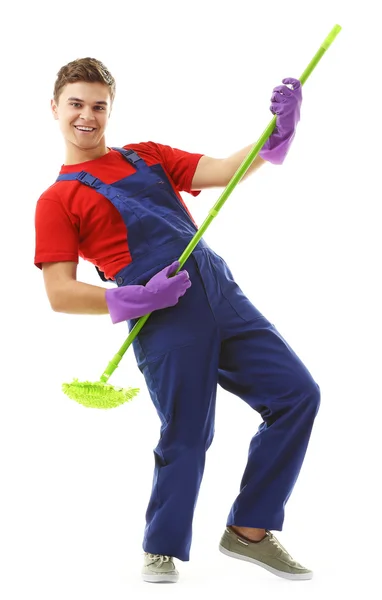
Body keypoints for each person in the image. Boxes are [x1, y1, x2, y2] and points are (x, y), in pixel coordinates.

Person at [34, 57, 320, 583]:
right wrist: (134, 299)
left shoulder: (147, 155)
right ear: (55, 108)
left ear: (110, 110)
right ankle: (160, 546)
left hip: (218, 289)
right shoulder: (57, 200)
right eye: (76, 104)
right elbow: (59, 293)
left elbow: (225, 170)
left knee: (298, 394)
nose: (88, 116)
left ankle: (250, 531)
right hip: (163, 315)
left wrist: (276, 133)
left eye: (99, 106)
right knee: (188, 432)